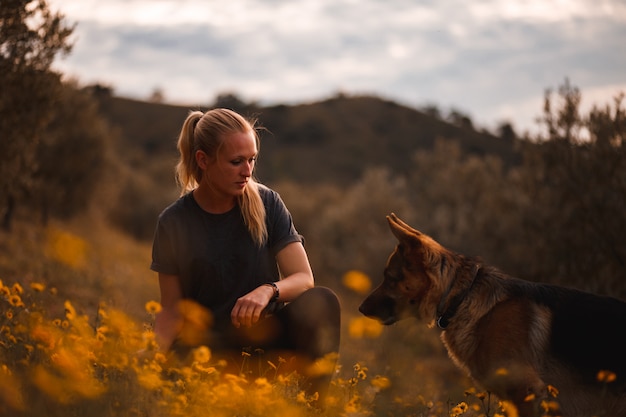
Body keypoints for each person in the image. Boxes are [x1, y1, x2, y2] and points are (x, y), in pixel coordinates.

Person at [150, 108, 341, 402]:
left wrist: (268, 291)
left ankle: (315, 407)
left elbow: (304, 279)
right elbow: (171, 309)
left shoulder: (268, 202)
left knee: (323, 300)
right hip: (208, 350)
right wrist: (151, 356)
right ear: (203, 160)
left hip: (264, 341)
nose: (248, 171)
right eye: (236, 162)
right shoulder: (173, 222)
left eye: (252, 160)